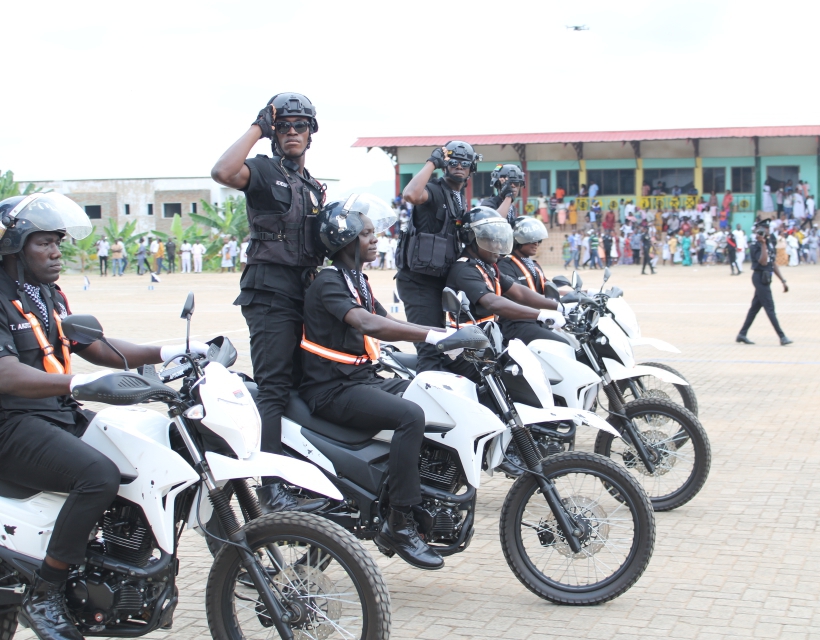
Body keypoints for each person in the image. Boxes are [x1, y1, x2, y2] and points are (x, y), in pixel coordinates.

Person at [0, 193, 210, 640]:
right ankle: (46, 593)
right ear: (14, 246)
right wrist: (76, 384)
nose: (57, 251)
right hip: (11, 422)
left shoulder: (46, 294)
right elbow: (5, 372)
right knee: (98, 475)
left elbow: (93, 346)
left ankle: (119, 563)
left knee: (146, 456)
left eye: (58, 242)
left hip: (56, 412)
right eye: (44, 243)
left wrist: (171, 350)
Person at [300, 194, 457, 570]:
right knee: (410, 417)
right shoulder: (328, 282)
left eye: (374, 233)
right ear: (345, 240)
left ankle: (426, 489)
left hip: (364, 380)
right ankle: (399, 523)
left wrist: (448, 334)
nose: (375, 239)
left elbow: (392, 324)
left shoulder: (358, 280)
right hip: (332, 389)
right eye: (366, 234)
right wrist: (435, 337)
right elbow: (369, 324)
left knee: (438, 398)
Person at [211, 92, 329, 512]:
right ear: (275, 134)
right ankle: (272, 485)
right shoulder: (261, 171)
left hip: (306, 294)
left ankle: (299, 473)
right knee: (275, 386)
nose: (292, 132)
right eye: (284, 127)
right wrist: (257, 127)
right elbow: (223, 171)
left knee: (307, 384)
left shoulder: (314, 187)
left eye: (300, 126)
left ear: (311, 134)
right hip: (269, 292)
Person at [444, 208, 565, 382]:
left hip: (487, 343)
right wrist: (540, 314)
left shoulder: (487, 266)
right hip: (467, 350)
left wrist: (558, 306)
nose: (499, 246)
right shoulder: (464, 270)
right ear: (473, 239)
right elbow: (493, 303)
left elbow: (519, 292)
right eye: (492, 240)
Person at [397, 140, 479, 375]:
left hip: (438, 281)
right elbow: (411, 195)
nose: (459, 166)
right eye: (453, 161)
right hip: (418, 282)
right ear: (445, 165)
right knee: (429, 350)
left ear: (472, 168)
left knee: (446, 348)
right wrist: (432, 162)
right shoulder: (433, 189)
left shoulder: (459, 197)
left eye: (465, 163)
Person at [497, 218, 570, 347]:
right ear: (516, 240)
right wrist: (559, 306)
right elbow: (519, 295)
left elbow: (548, 290)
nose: (536, 243)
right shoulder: (505, 265)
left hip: (537, 320)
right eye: (530, 239)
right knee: (563, 345)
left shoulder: (533, 265)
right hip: (517, 324)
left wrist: (583, 295)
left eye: (538, 240)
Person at [737, 221, 792, 345]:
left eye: (767, 228)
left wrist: (783, 280)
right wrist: (762, 244)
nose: (766, 230)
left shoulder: (770, 244)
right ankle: (782, 337)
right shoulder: (756, 245)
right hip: (759, 277)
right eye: (763, 228)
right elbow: (763, 262)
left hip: (766, 278)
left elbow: (772, 263)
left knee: (754, 308)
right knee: (770, 307)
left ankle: (742, 334)